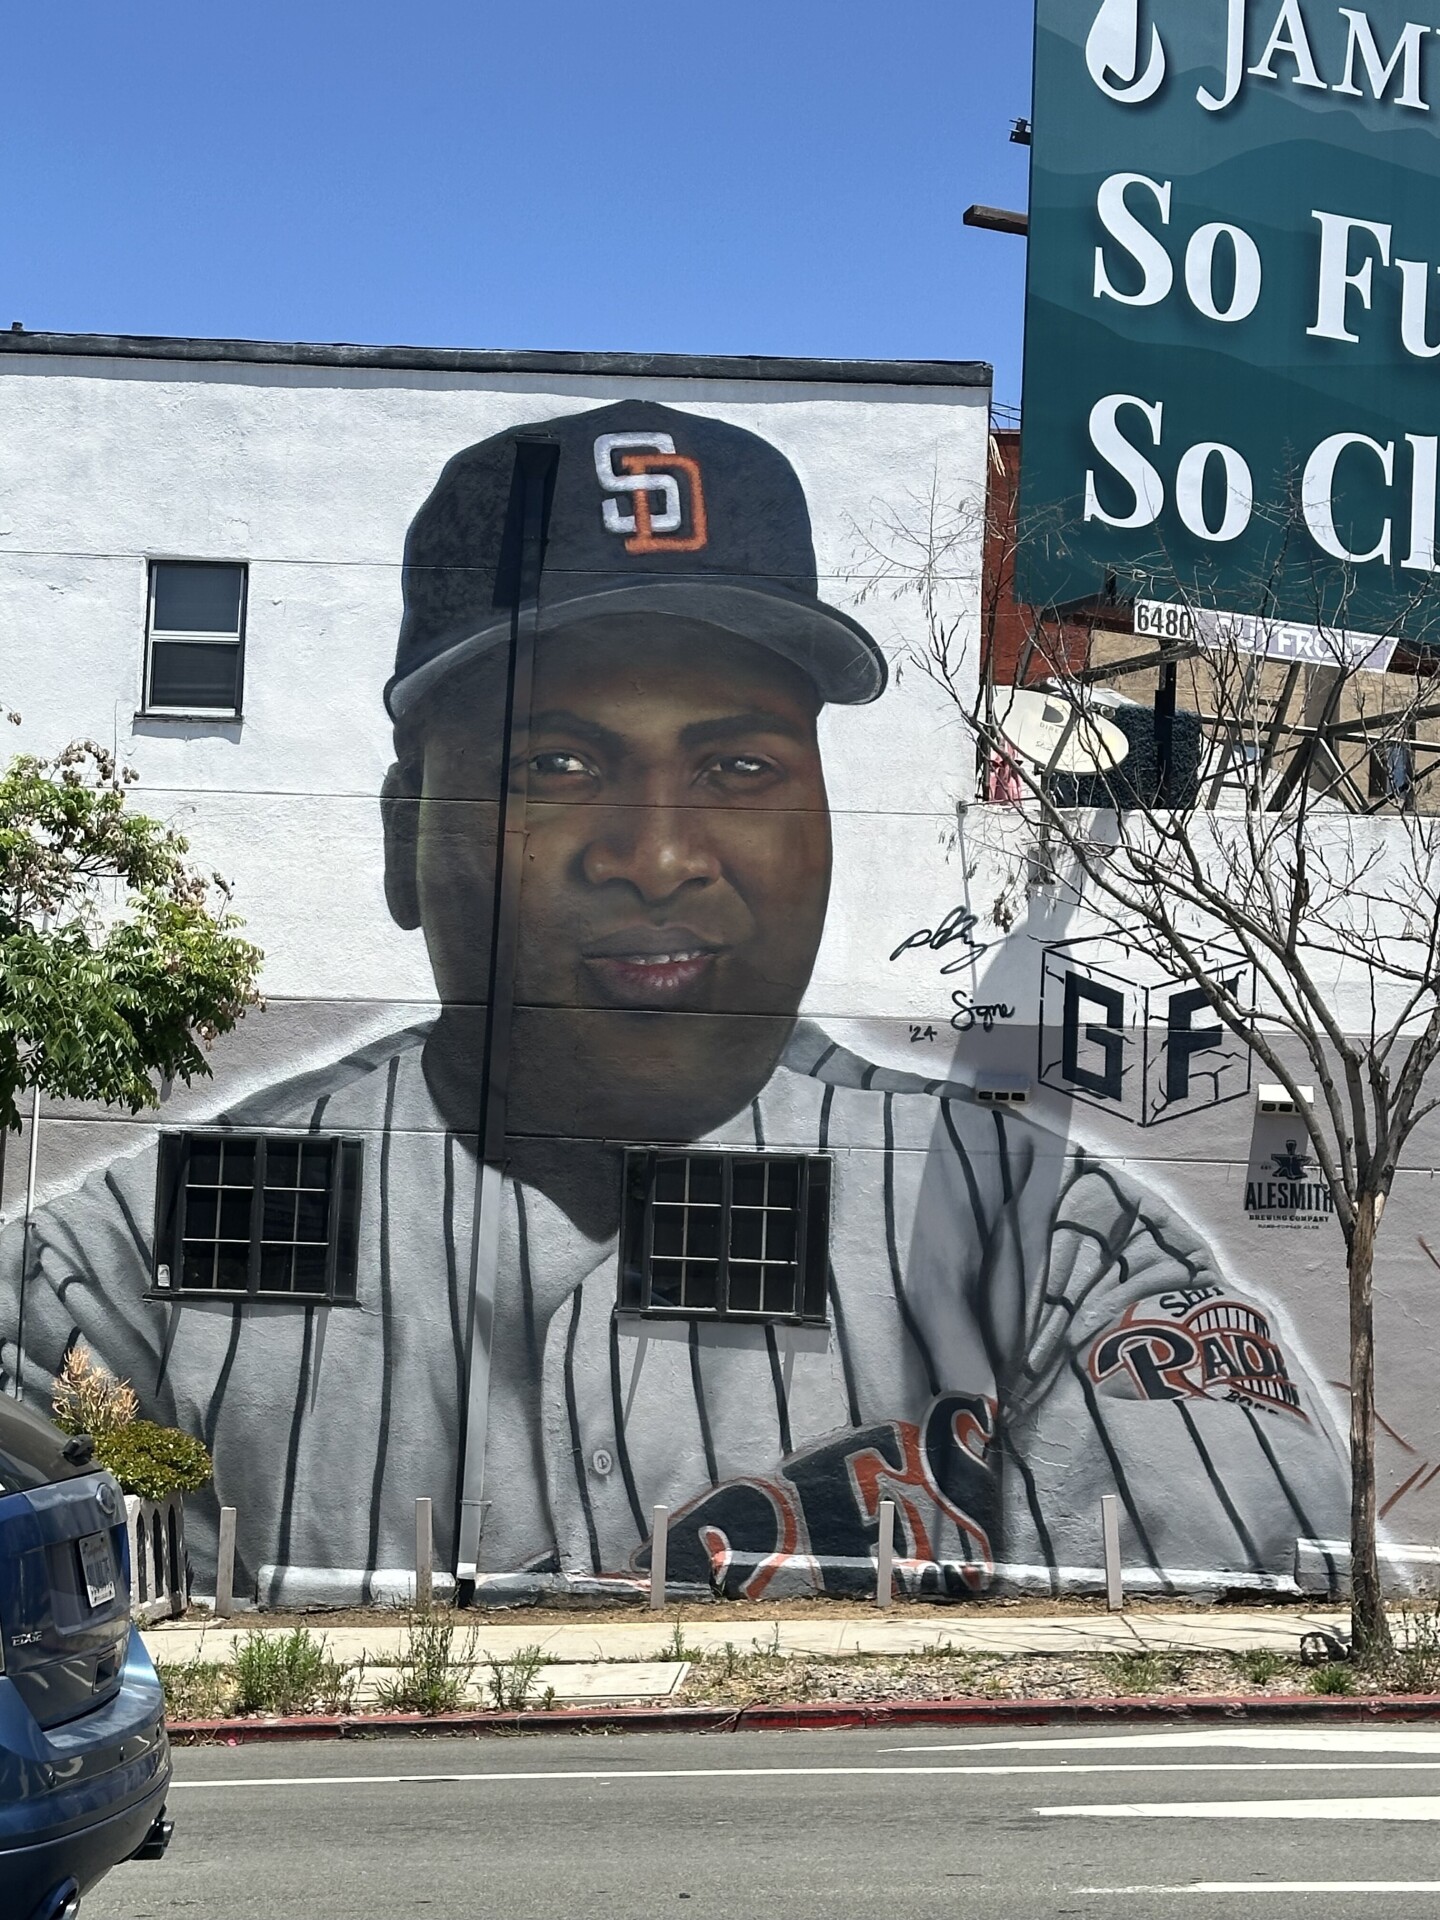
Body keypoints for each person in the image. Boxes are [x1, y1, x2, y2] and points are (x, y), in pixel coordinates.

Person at [0, 401, 1348, 1604]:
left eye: (742, 763)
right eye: (560, 760)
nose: (654, 855)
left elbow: (1216, 1590)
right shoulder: (103, 1264)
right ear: (410, 830)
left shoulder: (1051, 1240)